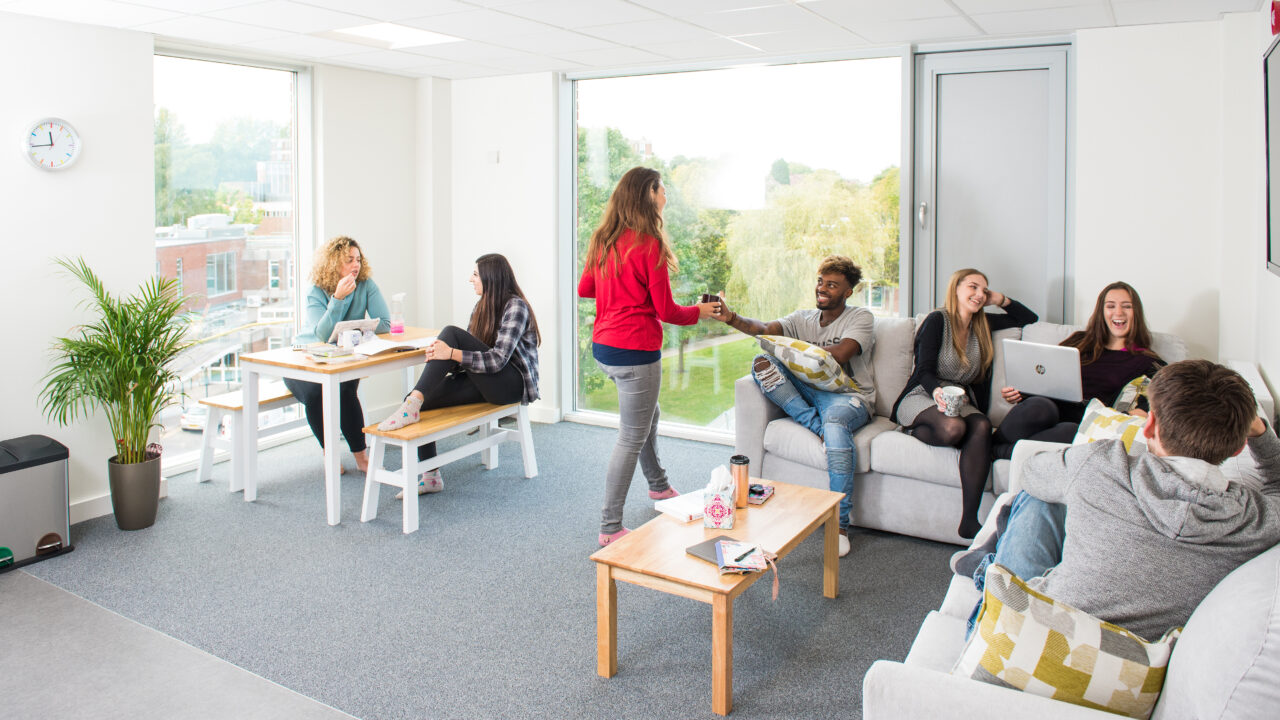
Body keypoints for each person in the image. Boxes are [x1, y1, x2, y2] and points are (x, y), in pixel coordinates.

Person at [954, 360, 1280, 641]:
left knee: (1042, 495)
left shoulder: (1104, 464)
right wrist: (1261, 432)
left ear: (1148, 425)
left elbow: (1030, 472)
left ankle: (988, 569)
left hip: (1009, 642)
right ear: (1238, 448)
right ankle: (989, 561)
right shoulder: (1253, 520)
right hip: (1122, 674)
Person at [578, 166, 719, 547]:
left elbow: (585, 288)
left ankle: (658, 486)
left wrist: (619, 291)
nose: (666, 196)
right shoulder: (648, 244)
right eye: (662, 189)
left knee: (647, 415)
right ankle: (610, 527)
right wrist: (702, 312)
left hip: (604, 348)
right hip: (635, 351)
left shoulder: (603, 239)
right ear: (647, 194)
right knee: (631, 436)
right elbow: (667, 312)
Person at [711, 255, 876, 558]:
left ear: (848, 291)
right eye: (820, 282)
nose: (822, 289)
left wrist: (793, 349)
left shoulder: (860, 317)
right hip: (808, 391)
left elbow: (839, 354)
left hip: (847, 396)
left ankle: (838, 525)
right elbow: (764, 329)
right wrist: (732, 318)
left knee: (836, 426)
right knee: (762, 362)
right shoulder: (802, 319)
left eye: (832, 285)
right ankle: (815, 423)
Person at [891, 268, 1038, 539]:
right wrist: (936, 392)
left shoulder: (983, 324)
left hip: (960, 399)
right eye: (972, 287)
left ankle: (970, 521)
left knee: (981, 425)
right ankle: (913, 427)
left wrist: (999, 299)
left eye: (984, 290)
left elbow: (1028, 319)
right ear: (956, 288)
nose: (979, 294)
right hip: (924, 394)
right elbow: (923, 369)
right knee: (953, 430)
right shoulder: (937, 321)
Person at [377, 253, 540, 497]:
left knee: (450, 334)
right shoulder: (481, 306)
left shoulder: (516, 307)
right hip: (485, 380)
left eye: (475, 274)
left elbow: (496, 360)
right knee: (419, 397)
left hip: (511, 384)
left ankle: (413, 402)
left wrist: (449, 353)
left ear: (490, 278)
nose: (470, 279)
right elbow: (466, 355)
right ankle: (431, 475)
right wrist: (442, 358)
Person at [993, 281, 1164, 458]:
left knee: (1070, 431)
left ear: (1136, 313)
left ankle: (994, 451)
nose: (1118, 312)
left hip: (1083, 421)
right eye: (1110, 306)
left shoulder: (1145, 361)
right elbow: (1048, 373)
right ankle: (994, 446)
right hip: (1049, 406)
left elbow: (1168, 392)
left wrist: (1138, 412)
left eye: (1126, 306)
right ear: (1101, 312)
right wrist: (1021, 392)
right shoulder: (1080, 341)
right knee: (1040, 405)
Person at [285, 236, 389, 474]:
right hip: (304, 357)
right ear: (334, 263)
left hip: (342, 357)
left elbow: (383, 323)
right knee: (315, 393)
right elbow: (321, 334)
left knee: (344, 389)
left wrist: (347, 330)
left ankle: (361, 457)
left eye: (358, 259)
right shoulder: (316, 291)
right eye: (349, 260)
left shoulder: (365, 284)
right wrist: (338, 300)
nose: (356, 265)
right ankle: (329, 453)